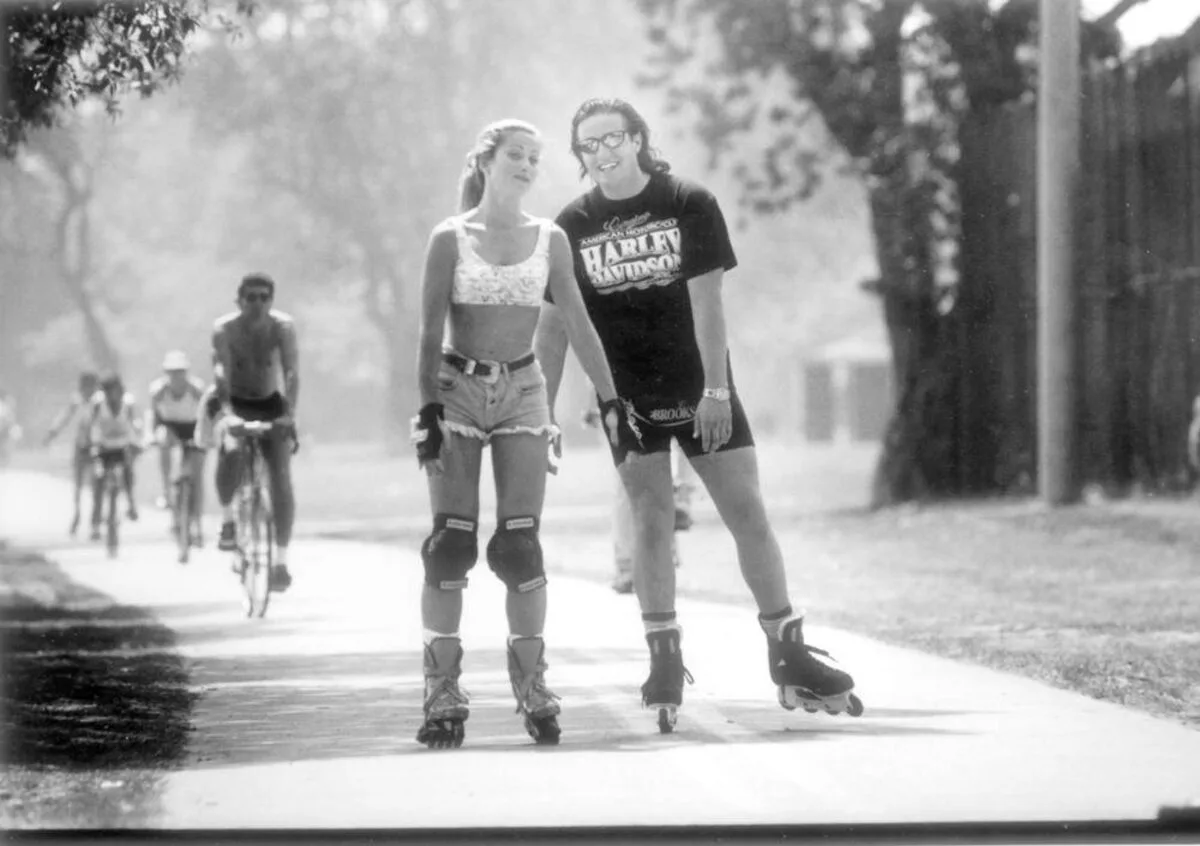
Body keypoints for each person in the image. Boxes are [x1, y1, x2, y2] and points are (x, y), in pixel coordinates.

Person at [534, 98, 862, 730]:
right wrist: (543, 415)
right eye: (588, 145)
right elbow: (553, 331)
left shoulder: (687, 202)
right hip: (627, 398)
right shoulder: (569, 226)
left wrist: (715, 391)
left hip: (699, 386)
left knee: (747, 514)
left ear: (637, 139)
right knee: (651, 521)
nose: (603, 152)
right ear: (580, 156)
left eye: (613, 138)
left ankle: (788, 652)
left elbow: (708, 303)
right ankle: (663, 658)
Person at [410, 117, 637, 750]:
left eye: (535, 158)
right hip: (457, 388)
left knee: (519, 548)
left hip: (524, 391)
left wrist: (611, 400)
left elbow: (581, 326)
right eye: (517, 154)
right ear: (486, 161)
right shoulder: (450, 238)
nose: (528, 166)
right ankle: (442, 692)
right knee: (450, 546)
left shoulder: (551, 239)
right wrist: (427, 411)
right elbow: (428, 334)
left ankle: (533, 687)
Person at [211, 272, 300, 593]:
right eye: (251, 297)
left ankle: (280, 561)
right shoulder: (225, 329)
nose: (258, 304)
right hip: (234, 402)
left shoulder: (282, 327)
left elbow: (291, 371)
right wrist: (228, 414)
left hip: (270, 403)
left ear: (271, 300)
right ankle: (228, 520)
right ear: (239, 300)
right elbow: (221, 372)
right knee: (232, 453)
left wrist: (289, 414)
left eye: (265, 297)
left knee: (281, 478)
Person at [582, 399, 687, 594]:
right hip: (636, 401)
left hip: (632, 401)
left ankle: (634, 566)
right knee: (646, 479)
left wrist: (594, 405)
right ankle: (651, 561)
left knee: (630, 485)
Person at [146, 350, 208, 539]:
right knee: (163, 440)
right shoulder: (158, 391)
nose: (176, 376)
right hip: (170, 426)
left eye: (180, 372)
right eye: (172, 372)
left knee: (197, 475)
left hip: (193, 427)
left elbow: (207, 414)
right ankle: (167, 489)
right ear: (167, 373)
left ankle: (197, 521)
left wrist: (207, 437)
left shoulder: (196, 389)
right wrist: (150, 435)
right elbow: (152, 415)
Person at [44, 371, 101, 535]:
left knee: (97, 485)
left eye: (90, 386)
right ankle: (77, 515)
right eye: (85, 387)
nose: (87, 390)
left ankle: (95, 521)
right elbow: (64, 417)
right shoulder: (77, 402)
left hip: (97, 447)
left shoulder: (100, 402)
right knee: (78, 485)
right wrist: (52, 432)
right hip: (81, 447)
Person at [87, 373, 143, 536]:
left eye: (114, 390)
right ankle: (95, 523)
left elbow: (135, 424)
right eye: (108, 391)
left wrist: (138, 441)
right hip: (103, 446)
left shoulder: (128, 403)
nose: (112, 394)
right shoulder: (98, 403)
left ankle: (131, 504)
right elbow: (92, 425)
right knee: (98, 480)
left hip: (122, 445)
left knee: (128, 471)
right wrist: (92, 445)